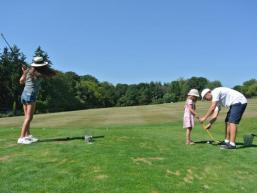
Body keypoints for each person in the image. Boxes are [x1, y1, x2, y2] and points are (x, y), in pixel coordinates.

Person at [17, 56, 56, 144]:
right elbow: (51, 74)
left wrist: (24, 72)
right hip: (30, 96)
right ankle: (21, 138)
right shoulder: (38, 73)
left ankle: (27, 136)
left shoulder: (28, 71)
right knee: (29, 117)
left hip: (24, 95)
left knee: (27, 117)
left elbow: (21, 81)